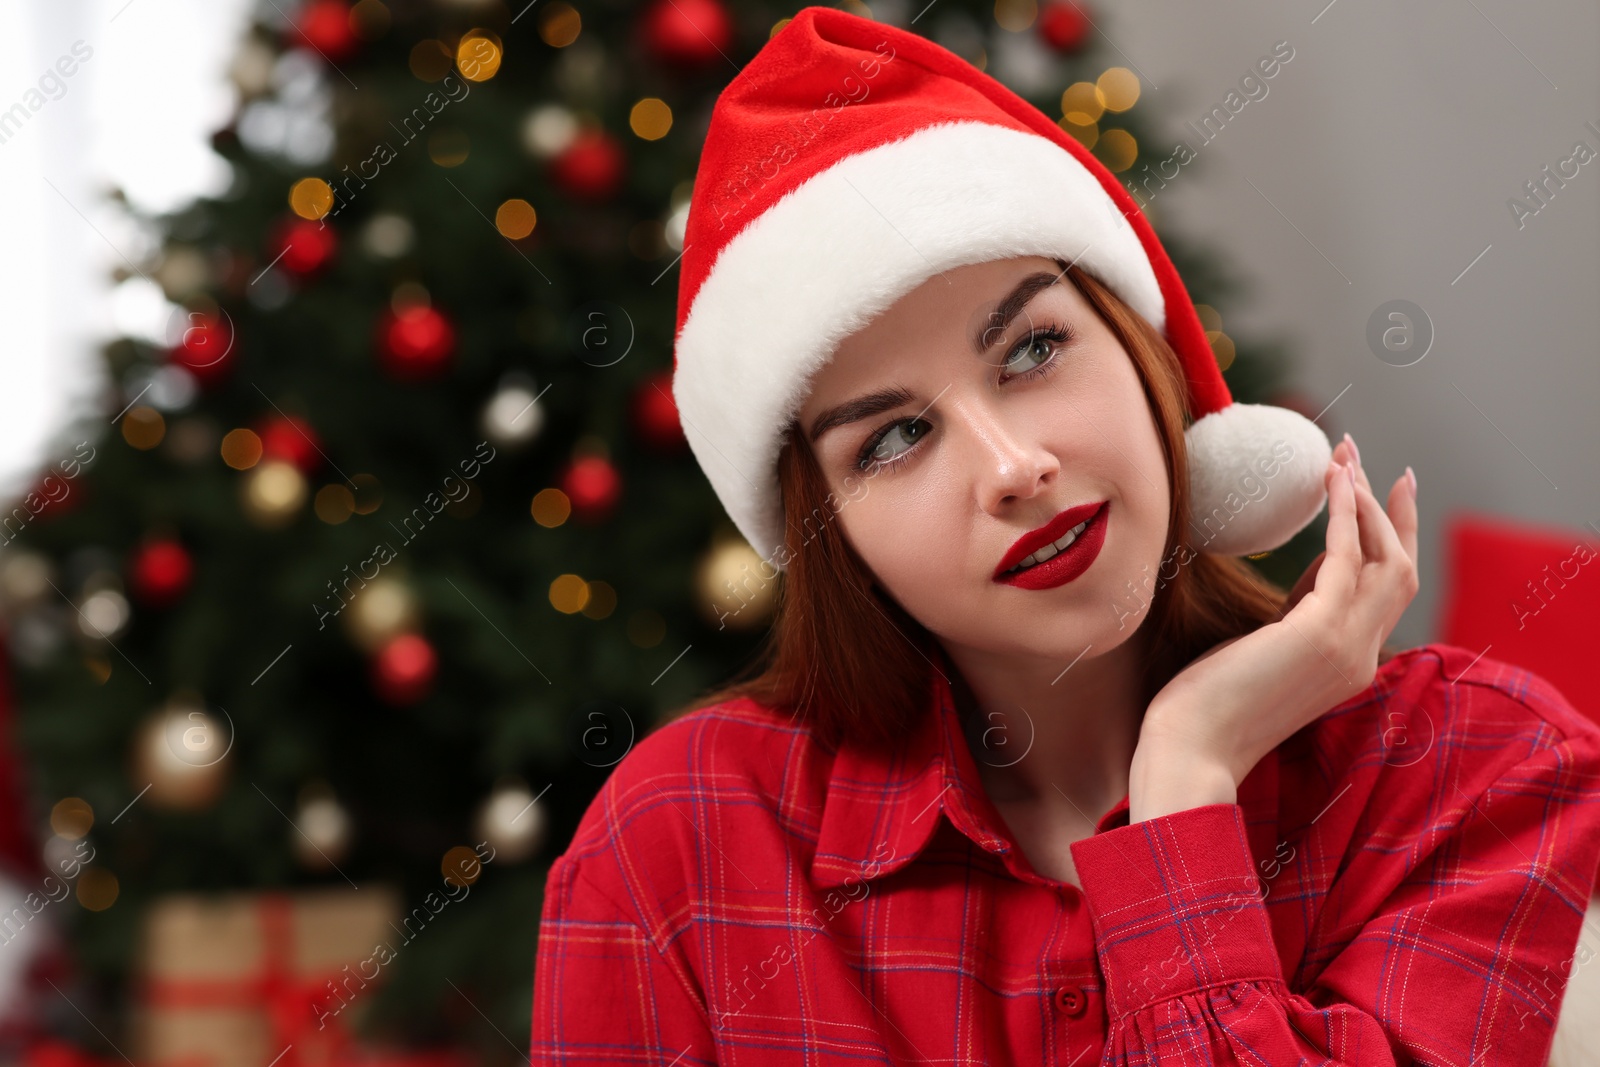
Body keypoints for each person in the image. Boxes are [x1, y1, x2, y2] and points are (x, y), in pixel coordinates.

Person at [530, 7, 1600, 1064]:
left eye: (1034, 348)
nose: (1010, 467)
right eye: (896, 436)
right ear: (829, 538)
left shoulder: (1474, 769)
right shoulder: (680, 847)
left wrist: (1184, 777)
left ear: (1146, 360)